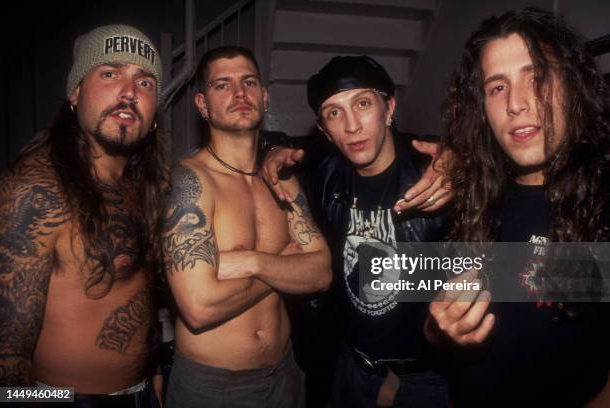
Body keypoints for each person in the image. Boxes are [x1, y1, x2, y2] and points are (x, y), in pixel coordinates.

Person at [426, 8, 610, 407]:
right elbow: (434, 329)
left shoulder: (601, 203)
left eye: (537, 77)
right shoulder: (470, 199)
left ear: (573, 86)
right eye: (497, 87)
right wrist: (441, 328)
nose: (516, 103)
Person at [263, 56, 450, 407]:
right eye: (334, 113)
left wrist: (471, 162)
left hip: (422, 380)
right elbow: (273, 149)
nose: (351, 126)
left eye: (362, 104)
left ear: (389, 107)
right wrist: (271, 150)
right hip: (350, 368)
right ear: (323, 130)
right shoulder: (325, 177)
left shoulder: (436, 174)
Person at [0, 25, 166, 406]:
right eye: (110, 74)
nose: (128, 93)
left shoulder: (145, 183)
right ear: (75, 92)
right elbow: (6, 361)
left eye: (145, 83)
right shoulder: (35, 191)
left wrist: (153, 376)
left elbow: (140, 297)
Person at [162, 46, 331, 408]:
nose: (239, 93)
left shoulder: (280, 177)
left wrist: (253, 261)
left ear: (264, 97)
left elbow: (321, 273)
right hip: (215, 388)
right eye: (222, 85)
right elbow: (200, 306)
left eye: (248, 82)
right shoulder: (189, 182)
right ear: (203, 105)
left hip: (285, 373)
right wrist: (282, 263)